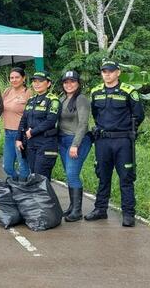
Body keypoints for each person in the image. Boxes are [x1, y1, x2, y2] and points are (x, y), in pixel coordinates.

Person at [85, 60, 144, 227]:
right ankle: (100, 209)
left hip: (123, 141)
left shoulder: (128, 91)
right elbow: (96, 114)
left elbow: (138, 115)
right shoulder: (95, 92)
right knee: (103, 176)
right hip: (103, 141)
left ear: (118, 72)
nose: (107, 74)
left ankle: (128, 214)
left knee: (126, 178)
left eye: (110, 71)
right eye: (104, 71)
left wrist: (127, 130)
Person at [58, 70, 92, 222]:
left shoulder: (81, 99)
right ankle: (72, 207)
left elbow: (83, 124)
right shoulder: (62, 99)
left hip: (77, 141)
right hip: (63, 140)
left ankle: (77, 211)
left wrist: (75, 145)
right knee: (69, 174)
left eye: (72, 81)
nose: (69, 84)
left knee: (72, 174)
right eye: (66, 82)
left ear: (78, 83)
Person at [16, 71, 60, 180]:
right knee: (33, 174)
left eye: (40, 81)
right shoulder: (31, 100)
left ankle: (45, 197)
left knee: (41, 177)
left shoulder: (53, 100)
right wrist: (19, 138)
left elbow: (50, 121)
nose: (36, 84)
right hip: (31, 143)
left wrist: (32, 132)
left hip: (46, 143)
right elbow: (24, 119)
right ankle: (36, 197)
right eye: (34, 81)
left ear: (48, 84)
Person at [2, 67, 32, 179]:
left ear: (23, 78)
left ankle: (23, 190)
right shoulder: (7, 91)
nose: (14, 80)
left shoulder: (28, 92)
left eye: (17, 77)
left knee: (23, 166)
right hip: (8, 133)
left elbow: (33, 114)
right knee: (7, 167)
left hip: (21, 134)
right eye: (11, 78)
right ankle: (16, 183)